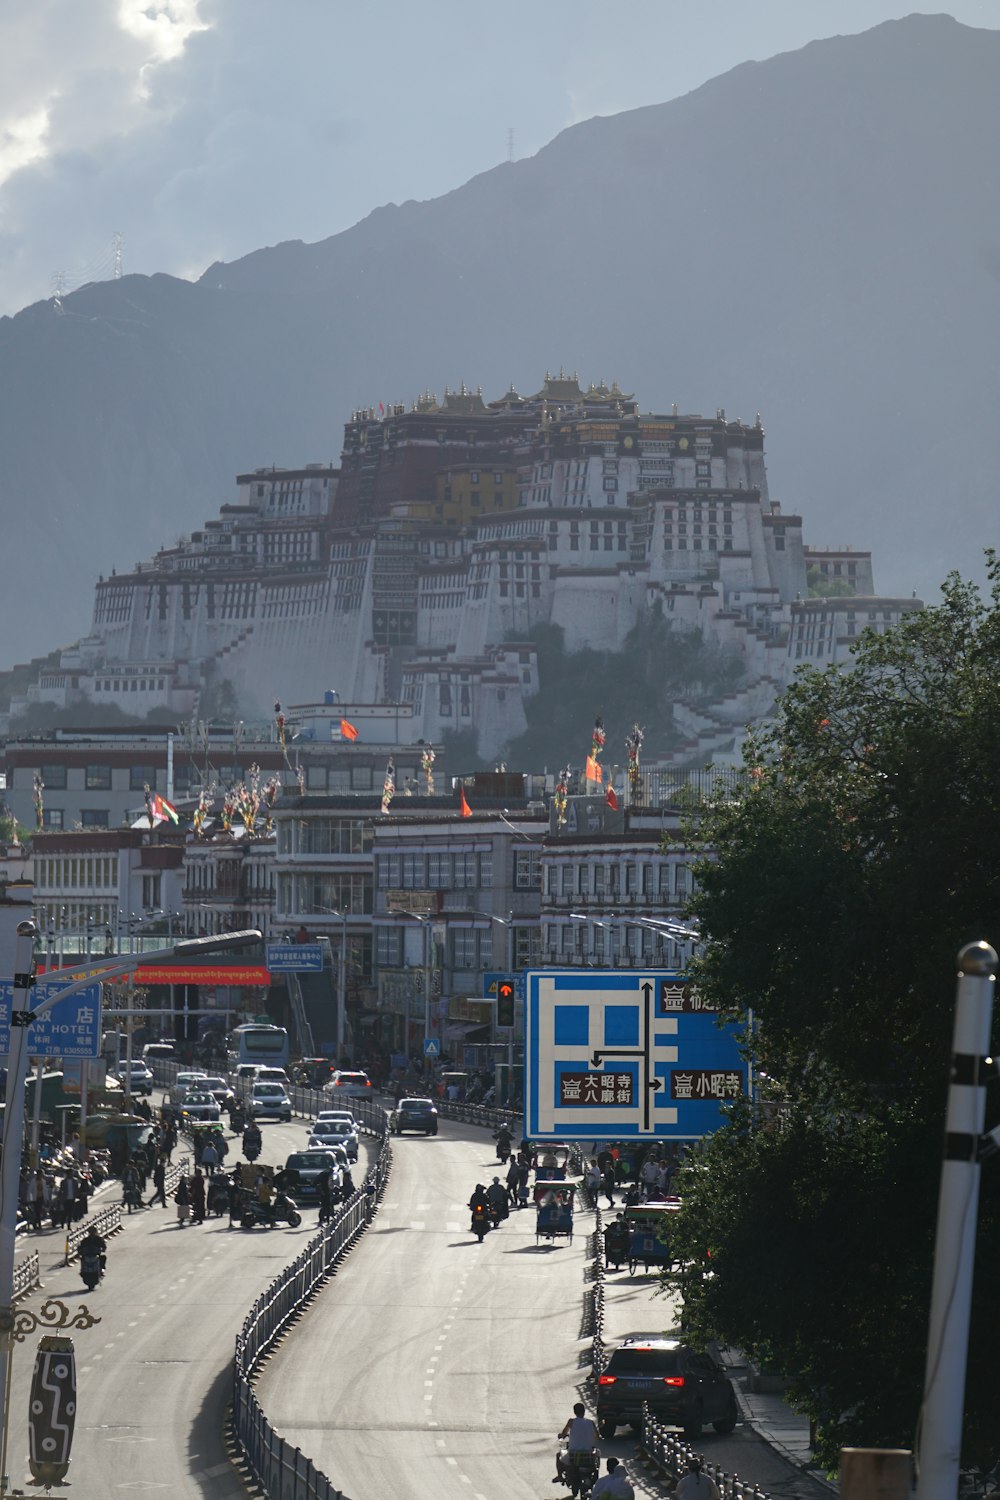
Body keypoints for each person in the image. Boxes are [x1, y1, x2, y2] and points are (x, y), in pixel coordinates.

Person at [554, 1402, 599, 1485]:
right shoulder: (591, 1422)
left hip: (573, 1455)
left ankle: (560, 1476)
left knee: (558, 1455)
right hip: (588, 1455)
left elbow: (564, 1433)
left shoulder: (571, 1422)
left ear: (574, 1412)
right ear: (584, 1411)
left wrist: (562, 1436)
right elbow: (597, 1437)